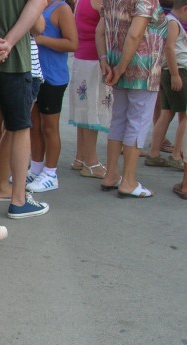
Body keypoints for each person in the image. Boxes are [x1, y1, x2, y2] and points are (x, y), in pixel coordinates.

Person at [96, 0, 167, 197]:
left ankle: (111, 175)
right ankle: (128, 181)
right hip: (143, 69)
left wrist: (105, 61)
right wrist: (121, 67)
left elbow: (100, 31)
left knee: (118, 119)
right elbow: (135, 34)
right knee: (138, 122)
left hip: (116, 63)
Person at [0, 0, 49, 219]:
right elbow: (38, 18)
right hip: (16, 58)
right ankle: (19, 200)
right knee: (19, 128)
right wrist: (9, 42)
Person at [27, 0, 78, 192]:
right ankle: (36, 167)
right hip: (34, 75)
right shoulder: (36, 5)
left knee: (49, 127)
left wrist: (41, 39)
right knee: (33, 125)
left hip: (53, 77)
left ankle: (50, 173)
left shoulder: (61, 8)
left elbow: (72, 43)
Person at [68, 0, 113, 179]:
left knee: (84, 109)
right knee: (92, 111)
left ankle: (81, 157)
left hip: (82, 58)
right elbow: (102, 31)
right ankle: (91, 162)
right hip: (94, 59)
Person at [146, 0, 187, 171]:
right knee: (185, 115)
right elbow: (169, 48)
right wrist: (176, 74)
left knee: (166, 113)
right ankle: (177, 155)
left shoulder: (169, 20)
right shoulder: (173, 22)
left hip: (168, 71)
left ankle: (154, 153)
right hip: (176, 71)